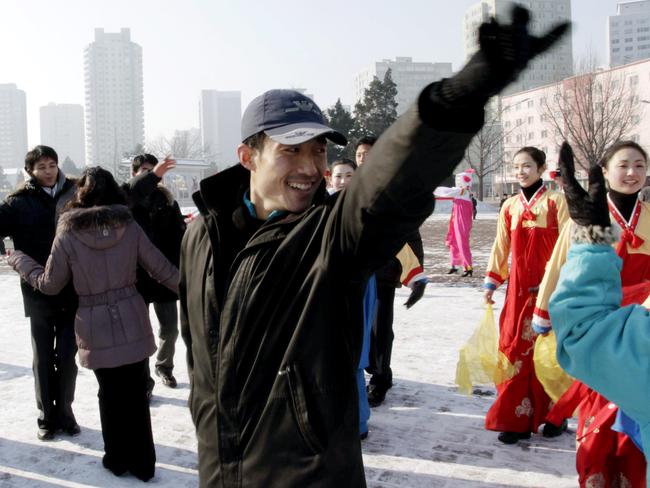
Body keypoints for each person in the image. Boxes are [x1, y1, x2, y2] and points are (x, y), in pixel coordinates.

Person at [179, 7, 568, 486]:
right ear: (247, 156)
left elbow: (388, 189)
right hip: (219, 469)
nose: (310, 166)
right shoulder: (202, 234)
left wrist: (456, 99)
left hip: (309, 474)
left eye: (319, 149)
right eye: (291, 150)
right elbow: (201, 357)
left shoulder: (328, 235)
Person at [7, 167, 179, 482]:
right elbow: (162, 269)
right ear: (115, 192)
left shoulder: (68, 233)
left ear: (80, 196)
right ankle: (143, 464)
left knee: (109, 393)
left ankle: (116, 458)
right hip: (132, 315)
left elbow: (49, 284)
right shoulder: (129, 225)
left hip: (93, 321)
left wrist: (19, 259)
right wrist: (199, 291)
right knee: (136, 393)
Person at [533, 141, 649, 486]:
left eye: (640, 166)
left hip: (638, 332)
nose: (632, 173)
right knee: (598, 420)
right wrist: (543, 311)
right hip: (602, 327)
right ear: (606, 171)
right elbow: (560, 266)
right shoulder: (588, 218)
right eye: (623, 165)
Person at [483, 146, 569, 444]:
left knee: (551, 354)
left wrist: (558, 283)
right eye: (517, 166)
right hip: (518, 292)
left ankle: (556, 414)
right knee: (514, 350)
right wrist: (492, 281)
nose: (521, 171)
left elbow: (568, 247)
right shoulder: (510, 206)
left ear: (541, 168)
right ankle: (514, 419)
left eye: (527, 166)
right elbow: (501, 245)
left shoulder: (557, 202)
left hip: (551, 292)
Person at [0, 145, 79, 441]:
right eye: (41, 167)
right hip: (37, 290)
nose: (48, 171)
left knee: (68, 355)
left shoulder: (76, 194)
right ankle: (47, 416)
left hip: (73, 289)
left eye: (52, 165)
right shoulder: (18, 202)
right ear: (30, 171)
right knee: (43, 357)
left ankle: (66, 413)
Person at [355, 135, 428, 407]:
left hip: (382, 274)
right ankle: (360, 372)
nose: (364, 158)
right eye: (360, 154)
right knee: (355, 329)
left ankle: (380, 377)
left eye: (370, 153)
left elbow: (408, 233)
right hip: (353, 275)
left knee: (380, 329)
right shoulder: (351, 186)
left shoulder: (395, 189)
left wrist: (415, 275)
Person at [124, 154, 186, 391]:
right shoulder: (125, 202)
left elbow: (179, 236)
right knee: (140, 332)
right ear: (134, 174)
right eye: (144, 171)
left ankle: (164, 366)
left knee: (170, 328)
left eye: (153, 170)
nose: (150, 175)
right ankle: (144, 378)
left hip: (164, 275)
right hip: (135, 276)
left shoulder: (168, 201)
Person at [434, 169, 476, 277]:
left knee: (462, 242)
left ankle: (468, 267)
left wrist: (431, 188)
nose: (457, 182)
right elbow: (448, 190)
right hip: (456, 219)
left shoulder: (464, 191)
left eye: (459, 179)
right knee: (453, 240)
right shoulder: (461, 191)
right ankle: (454, 265)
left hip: (462, 220)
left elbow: (446, 191)